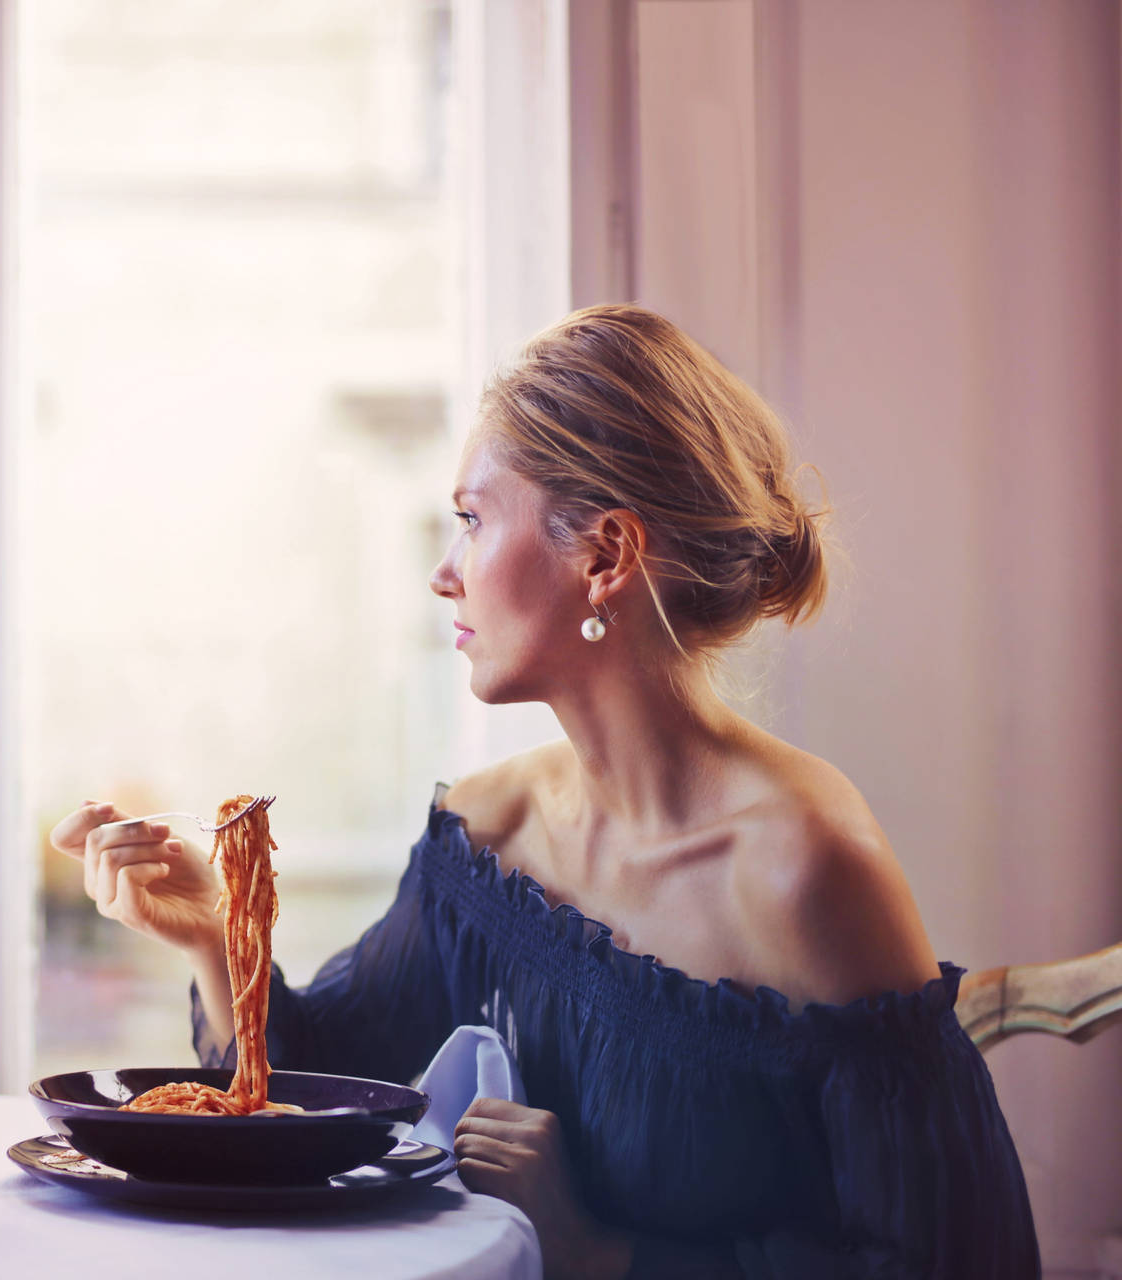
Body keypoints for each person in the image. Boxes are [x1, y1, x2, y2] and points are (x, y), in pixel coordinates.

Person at [50, 304, 1038, 1279]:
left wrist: (605, 1253)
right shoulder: (488, 836)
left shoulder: (805, 866)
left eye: (473, 520)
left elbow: (955, 1258)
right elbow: (322, 1101)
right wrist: (217, 933)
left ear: (605, 554)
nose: (444, 573)